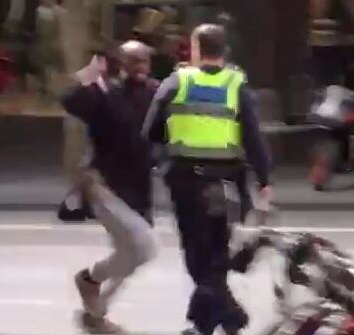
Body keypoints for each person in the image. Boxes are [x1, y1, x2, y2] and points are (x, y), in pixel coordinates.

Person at [143, 24, 272, 335]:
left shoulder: (177, 82)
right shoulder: (236, 84)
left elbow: (150, 131)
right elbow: (253, 136)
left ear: (196, 47)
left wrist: (161, 157)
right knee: (217, 252)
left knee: (198, 256)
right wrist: (265, 178)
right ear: (223, 50)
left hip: (187, 180)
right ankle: (221, 320)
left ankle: (220, 319)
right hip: (228, 181)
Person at [62, 40, 158, 334]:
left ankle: (95, 312)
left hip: (139, 188)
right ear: (120, 65)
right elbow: (71, 101)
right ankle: (90, 284)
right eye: (133, 61)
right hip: (105, 186)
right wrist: (86, 77)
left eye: (144, 60)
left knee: (133, 254)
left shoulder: (155, 93)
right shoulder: (105, 95)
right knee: (144, 247)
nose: (140, 66)